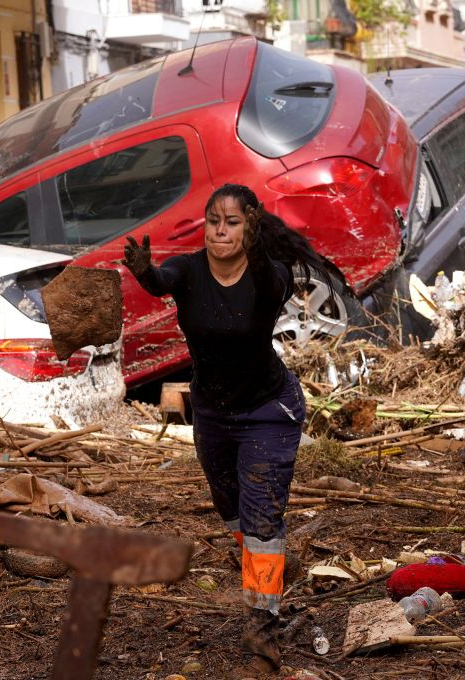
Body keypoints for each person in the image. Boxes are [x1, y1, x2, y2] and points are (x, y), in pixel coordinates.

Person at [122, 183, 337, 676]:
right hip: (213, 413)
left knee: (260, 520)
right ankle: (273, 567)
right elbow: (159, 280)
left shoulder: (271, 276)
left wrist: (258, 246)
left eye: (233, 222)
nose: (220, 230)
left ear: (250, 226)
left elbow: (265, 276)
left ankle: (261, 644)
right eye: (213, 220)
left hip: (268, 411)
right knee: (231, 510)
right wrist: (142, 270)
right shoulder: (189, 269)